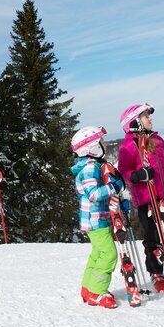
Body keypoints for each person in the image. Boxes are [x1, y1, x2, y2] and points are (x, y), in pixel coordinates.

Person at [117, 104, 164, 294]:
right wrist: (137, 175)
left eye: (148, 116)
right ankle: (156, 272)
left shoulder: (158, 140)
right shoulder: (129, 145)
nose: (150, 119)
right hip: (145, 199)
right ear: (134, 122)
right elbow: (125, 170)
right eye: (145, 117)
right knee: (152, 237)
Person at [71, 125, 123, 309]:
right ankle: (97, 292)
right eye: (101, 142)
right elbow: (93, 194)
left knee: (97, 254)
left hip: (96, 218)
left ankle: (88, 289)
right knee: (108, 254)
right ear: (92, 147)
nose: (105, 144)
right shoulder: (89, 168)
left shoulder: (93, 166)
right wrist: (114, 188)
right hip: (95, 220)